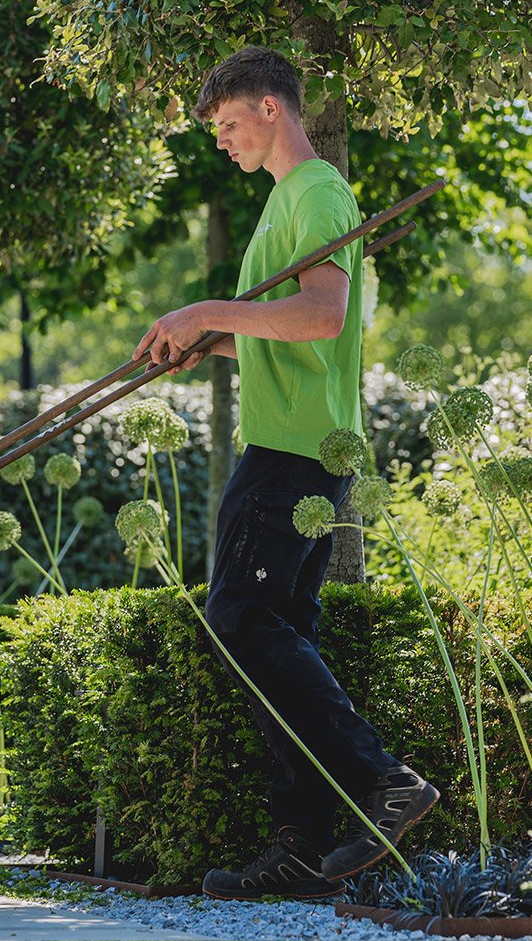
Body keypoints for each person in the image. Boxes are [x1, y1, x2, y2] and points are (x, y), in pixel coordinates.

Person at [132, 46, 438, 901]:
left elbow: (322, 313)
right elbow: (292, 333)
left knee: (239, 613)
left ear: (271, 107)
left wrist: (203, 309)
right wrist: (208, 344)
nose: (223, 143)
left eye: (229, 125)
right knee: (277, 635)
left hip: (294, 450)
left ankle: (386, 778)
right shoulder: (284, 203)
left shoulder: (315, 191)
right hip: (296, 440)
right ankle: (301, 845)